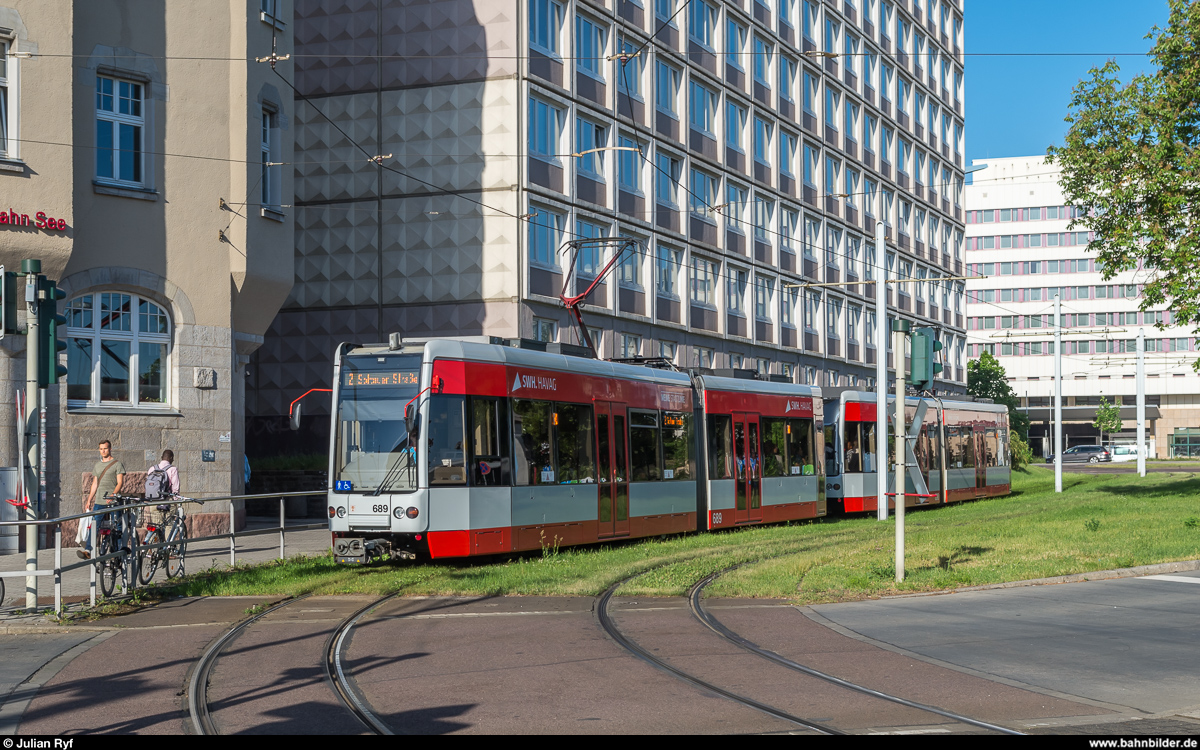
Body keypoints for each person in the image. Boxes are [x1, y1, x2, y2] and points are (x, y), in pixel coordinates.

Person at [78, 440, 126, 559]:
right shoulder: (98, 465)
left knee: (118, 526)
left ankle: (119, 552)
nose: (103, 451)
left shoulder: (117, 464)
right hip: (100, 500)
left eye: (105, 448)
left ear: (110, 449)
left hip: (113, 501)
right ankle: (88, 550)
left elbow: (120, 482)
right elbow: (94, 484)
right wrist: (89, 499)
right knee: (94, 525)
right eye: (101, 449)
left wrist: (113, 494)